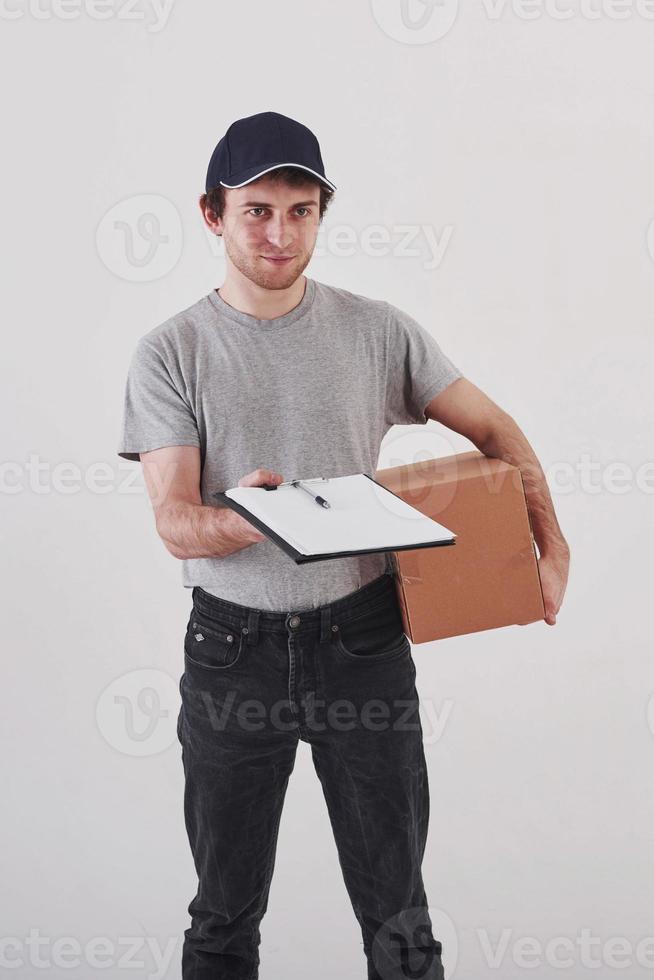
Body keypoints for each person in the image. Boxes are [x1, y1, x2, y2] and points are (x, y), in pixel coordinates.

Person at [117, 110, 570, 979]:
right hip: (231, 651)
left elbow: (496, 431)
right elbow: (175, 520)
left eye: (300, 210)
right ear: (213, 215)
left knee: (401, 918)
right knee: (221, 919)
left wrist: (552, 547)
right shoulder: (169, 352)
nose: (280, 232)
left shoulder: (378, 329)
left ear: (322, 214)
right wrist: (256, 518)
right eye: (257, 210)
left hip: (361, 641)